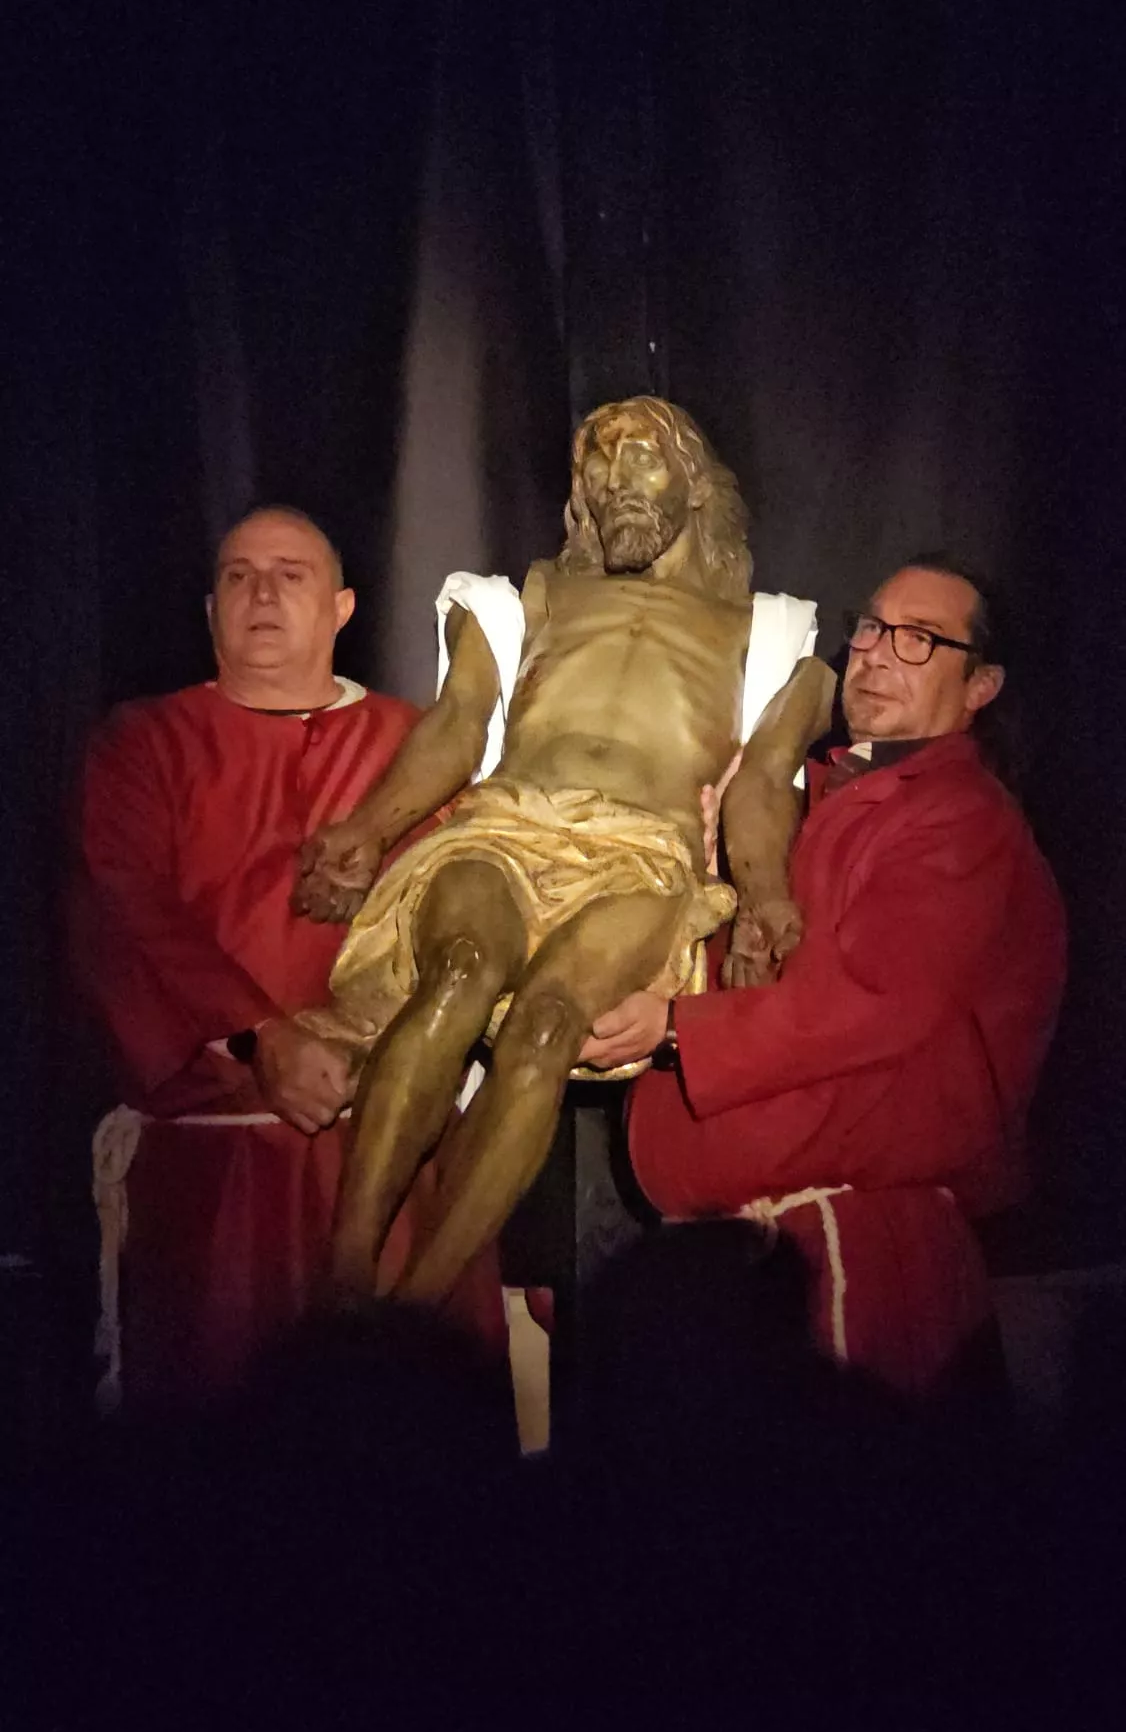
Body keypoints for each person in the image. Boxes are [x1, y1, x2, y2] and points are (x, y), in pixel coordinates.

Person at [292, 397, 832, 1302]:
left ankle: (415, 1312)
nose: (616, 481)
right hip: (507, 822)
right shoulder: (521, 600)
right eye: (599, 465)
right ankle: (345, 1289)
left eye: (643, 460)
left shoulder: (775, 637)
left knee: (547, 1025)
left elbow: (763, 784)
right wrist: (367, 829)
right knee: (460, 970)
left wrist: (766, 896)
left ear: (694, 483)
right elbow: (459, 724)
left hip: (641, 856)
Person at [579, 559, 1067, 1394]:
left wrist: (672, 1027)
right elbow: (756, 961)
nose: (875, 653)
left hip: (853, 1253)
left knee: (845, 1504)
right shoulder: (816, 796)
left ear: (981, 685)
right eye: (872, 627)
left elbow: (871, 1002)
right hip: (759, 1248)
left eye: (919, 640)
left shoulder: (958, 819)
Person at [72, 505, 505, 1406]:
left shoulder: (413, 748)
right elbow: (124, 908)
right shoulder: (144, 744)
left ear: (343, 607)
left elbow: (479, 896)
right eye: (238, 575)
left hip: (394, 1164)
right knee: (228, 1460)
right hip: (218, 1184)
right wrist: (257, 1037)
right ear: (209, 609)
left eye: (290, 574)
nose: (262, 592)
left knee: (406, 1454)